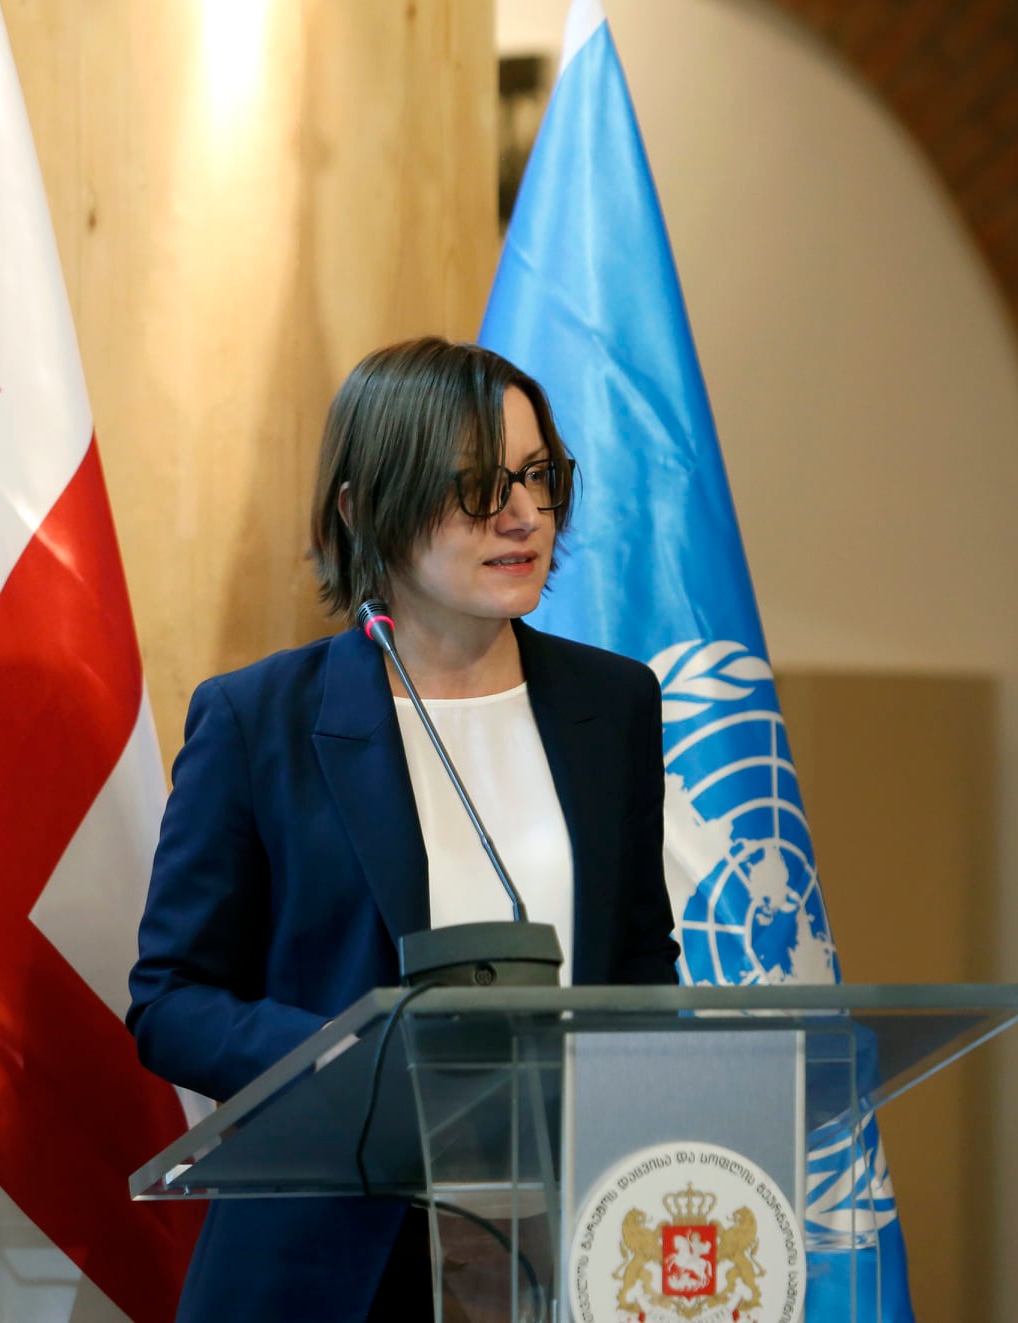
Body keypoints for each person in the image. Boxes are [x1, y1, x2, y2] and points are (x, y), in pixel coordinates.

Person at [127, 337, 681, 1321]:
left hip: (561, 1248)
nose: (521, 515)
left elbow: (638, 964)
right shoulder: (259, 719)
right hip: (327, 1268)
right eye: (473, 487)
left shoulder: (613, 705)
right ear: (361, 509)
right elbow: (172, 1000)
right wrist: (361, 1060)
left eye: (537, 477)